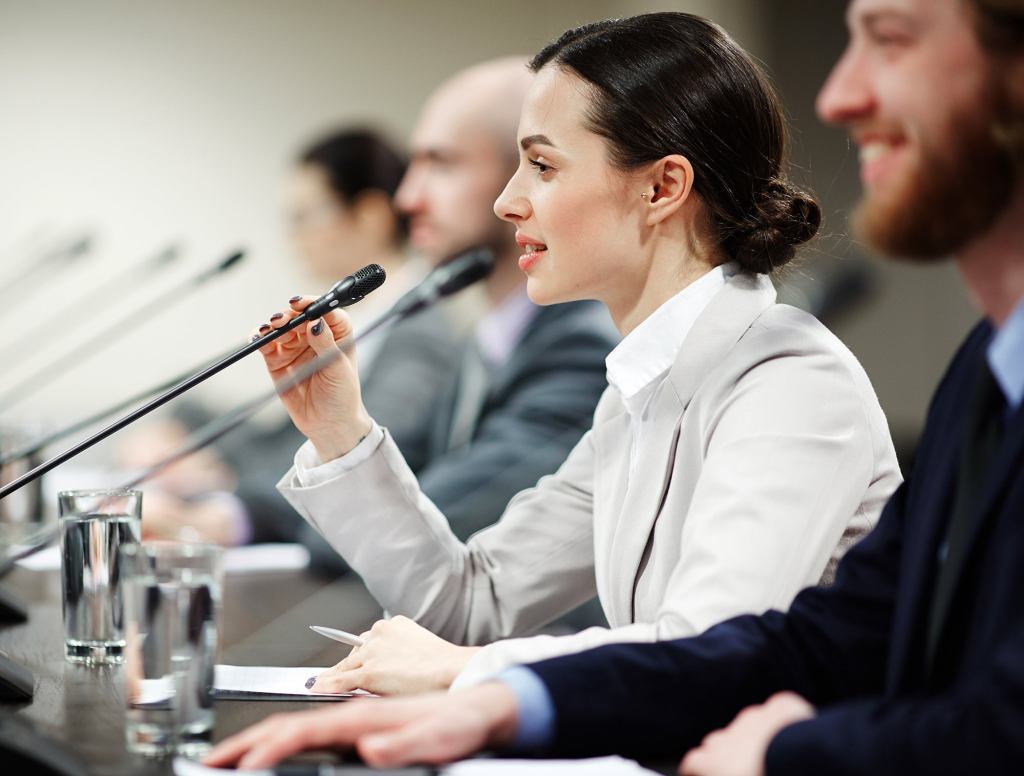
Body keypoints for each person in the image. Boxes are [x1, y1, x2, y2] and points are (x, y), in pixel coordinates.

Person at [204, 1, 1024, 773]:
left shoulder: (786, 381)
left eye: (542, 165)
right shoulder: (645, 385)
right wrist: (341, 432)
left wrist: (470, 676)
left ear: (662, 188)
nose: (507, 201)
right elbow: (474, 600)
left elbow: (701, 647)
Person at [126, 128, 464, 569]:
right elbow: (283, 441)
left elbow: (350, 458)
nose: (291, 238)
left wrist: (224, 516)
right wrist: (183, 427)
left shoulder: (419, 333)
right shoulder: (360, 316)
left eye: (304, 217)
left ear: (370, 215)